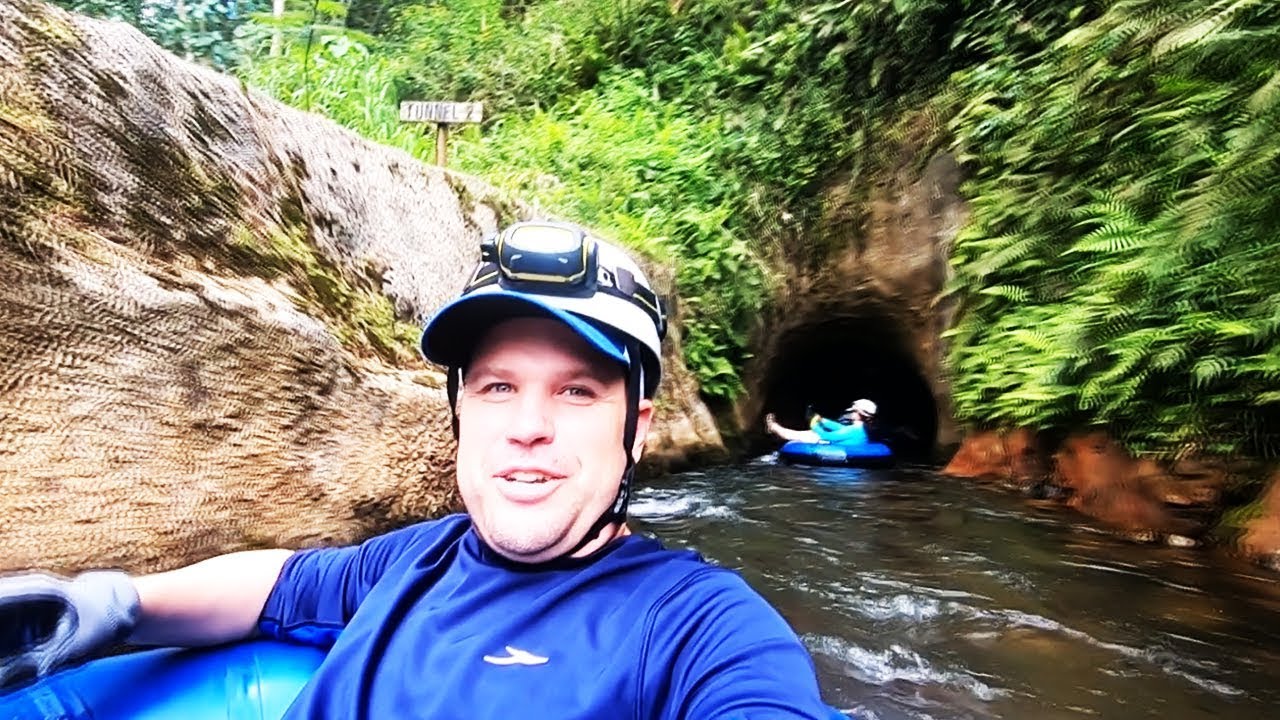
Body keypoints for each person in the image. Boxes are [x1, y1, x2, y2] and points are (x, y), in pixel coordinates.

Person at [0, 221, 835, 718]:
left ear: (637, 429)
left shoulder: (703, 630)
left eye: (577, 392)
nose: (529, 428)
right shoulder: (415, 558)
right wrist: (106, 606)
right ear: (461, 412)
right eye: (498, 388)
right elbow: (276, 585)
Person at [764, 399, 877, 445]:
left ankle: (773, 427)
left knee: (795, 434)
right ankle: (775, 429)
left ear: (859, 414)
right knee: (811, 433)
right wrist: (824, 421)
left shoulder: (854, 430)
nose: (851, 412)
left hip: (828, 442)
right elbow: (841, 428)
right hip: (841, 441)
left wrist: (815, 425)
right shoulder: (862, 428)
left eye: (854, 411)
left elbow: (828, 436)